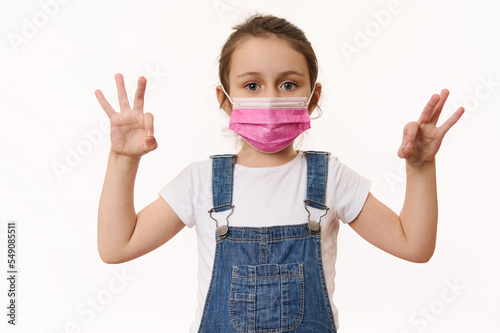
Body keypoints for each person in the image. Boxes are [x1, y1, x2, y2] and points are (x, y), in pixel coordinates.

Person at [95, 14, 464, 333]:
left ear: (312, 97)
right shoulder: (200, 181)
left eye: (288, 84)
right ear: (225, 99)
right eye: (251, 85)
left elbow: (414, 245)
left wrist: (420, 167)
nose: (270, 99)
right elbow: (117, 246)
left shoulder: (331, 177)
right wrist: (122, 159)